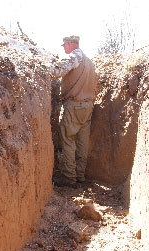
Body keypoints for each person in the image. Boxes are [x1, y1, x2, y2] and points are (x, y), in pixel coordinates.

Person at [50, 35, 97, 188]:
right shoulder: (90, 62)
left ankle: (69, 179)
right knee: (82, 142)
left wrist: (45, 67)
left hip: (74, 105)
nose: (63, 48)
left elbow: (57, 71)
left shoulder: (75, 57)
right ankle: (80, 176)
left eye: (64, 45)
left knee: (68, 140)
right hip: (88, 107)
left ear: (71, 44)